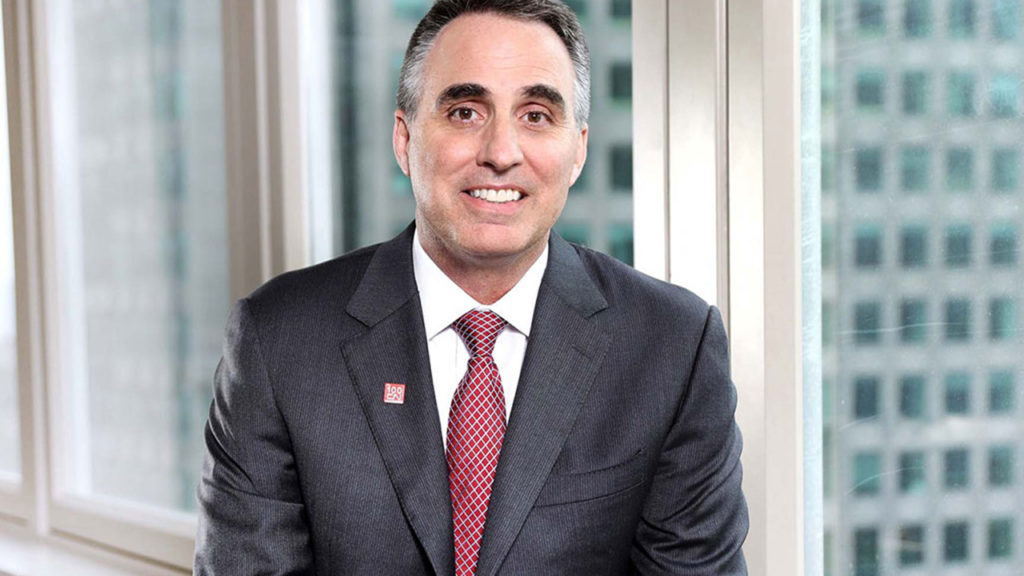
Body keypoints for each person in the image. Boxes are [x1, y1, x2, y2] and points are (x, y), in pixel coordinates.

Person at [194, 0, 748, 574]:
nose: (501, 153)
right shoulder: (278, 340)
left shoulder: (673, 346)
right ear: (405, 140)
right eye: (465, 112)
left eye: (536, 115)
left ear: (578, 149)